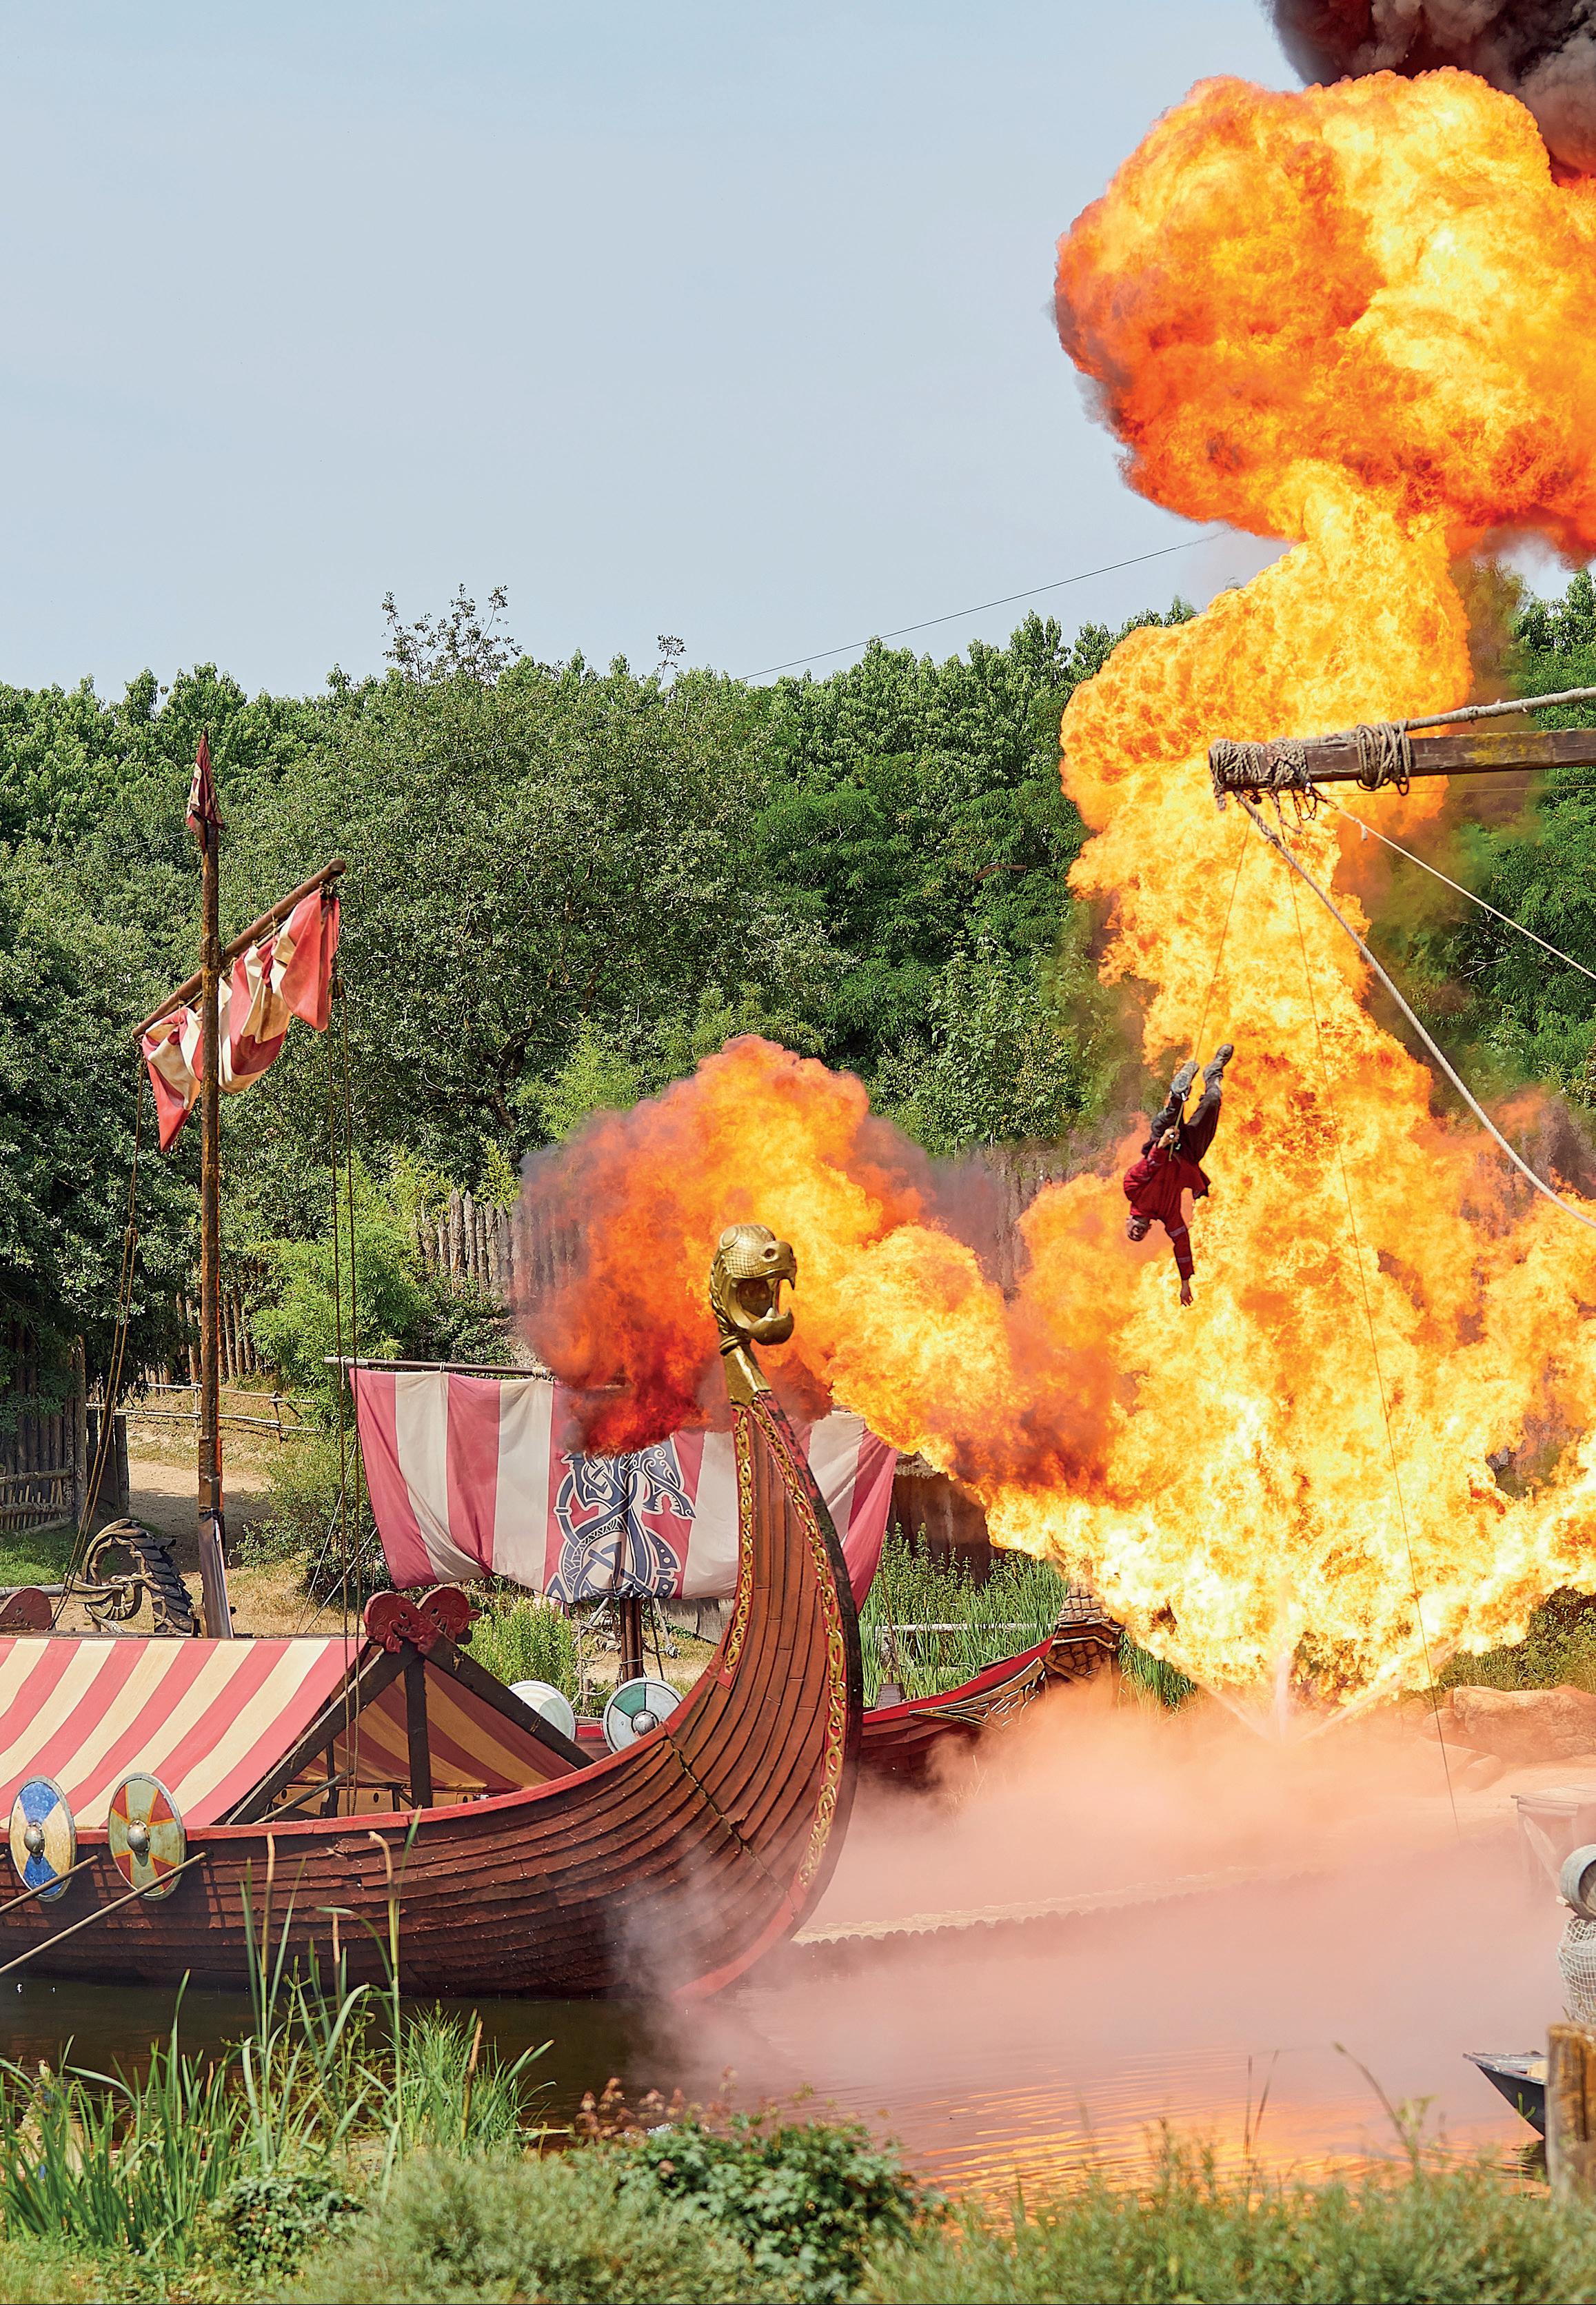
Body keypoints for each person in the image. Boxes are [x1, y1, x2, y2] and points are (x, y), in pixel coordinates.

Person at [1122, 1045, 1233, 1306]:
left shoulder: (1131, 1190)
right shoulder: (1168, 1214)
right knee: (1213, 1102)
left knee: (1172, 1112)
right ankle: (1214, 1072)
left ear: (1129, 1221)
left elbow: (1146, 1167)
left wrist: (1162, 1145)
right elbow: (1181, 1243)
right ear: (1149, 1229)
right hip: (1189, 1154)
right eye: (1140, 1236)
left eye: (1132, 1233)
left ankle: (1178, 1092)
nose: (1136, 1234)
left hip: (1164, 1140)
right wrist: (1185, 1283)